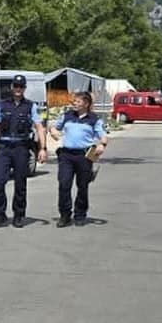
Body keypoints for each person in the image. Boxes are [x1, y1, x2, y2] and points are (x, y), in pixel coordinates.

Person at [0, 74, 47, 228]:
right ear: (11, 87)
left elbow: (39, 127)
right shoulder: (2, 105)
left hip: (21, 148)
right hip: (4, 147)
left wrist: (42, 149)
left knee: (20, 183)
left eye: (21, 86)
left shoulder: (31, 106)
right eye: (15, 86)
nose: (18, 89)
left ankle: (18, 214)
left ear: (24, 88)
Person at [49, 91, 108, 226]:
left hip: (84, 156)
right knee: (64, 184)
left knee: (82, 186)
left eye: (78, 101)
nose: (74, 103)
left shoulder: (94, 119)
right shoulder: (67, 116)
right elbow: (54, 127)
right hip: (66, 155)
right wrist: (53, 131)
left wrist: (102, 145)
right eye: (74, 101)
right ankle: (64, 215)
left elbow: (103, 136)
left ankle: (80, 214)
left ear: (86, 104)